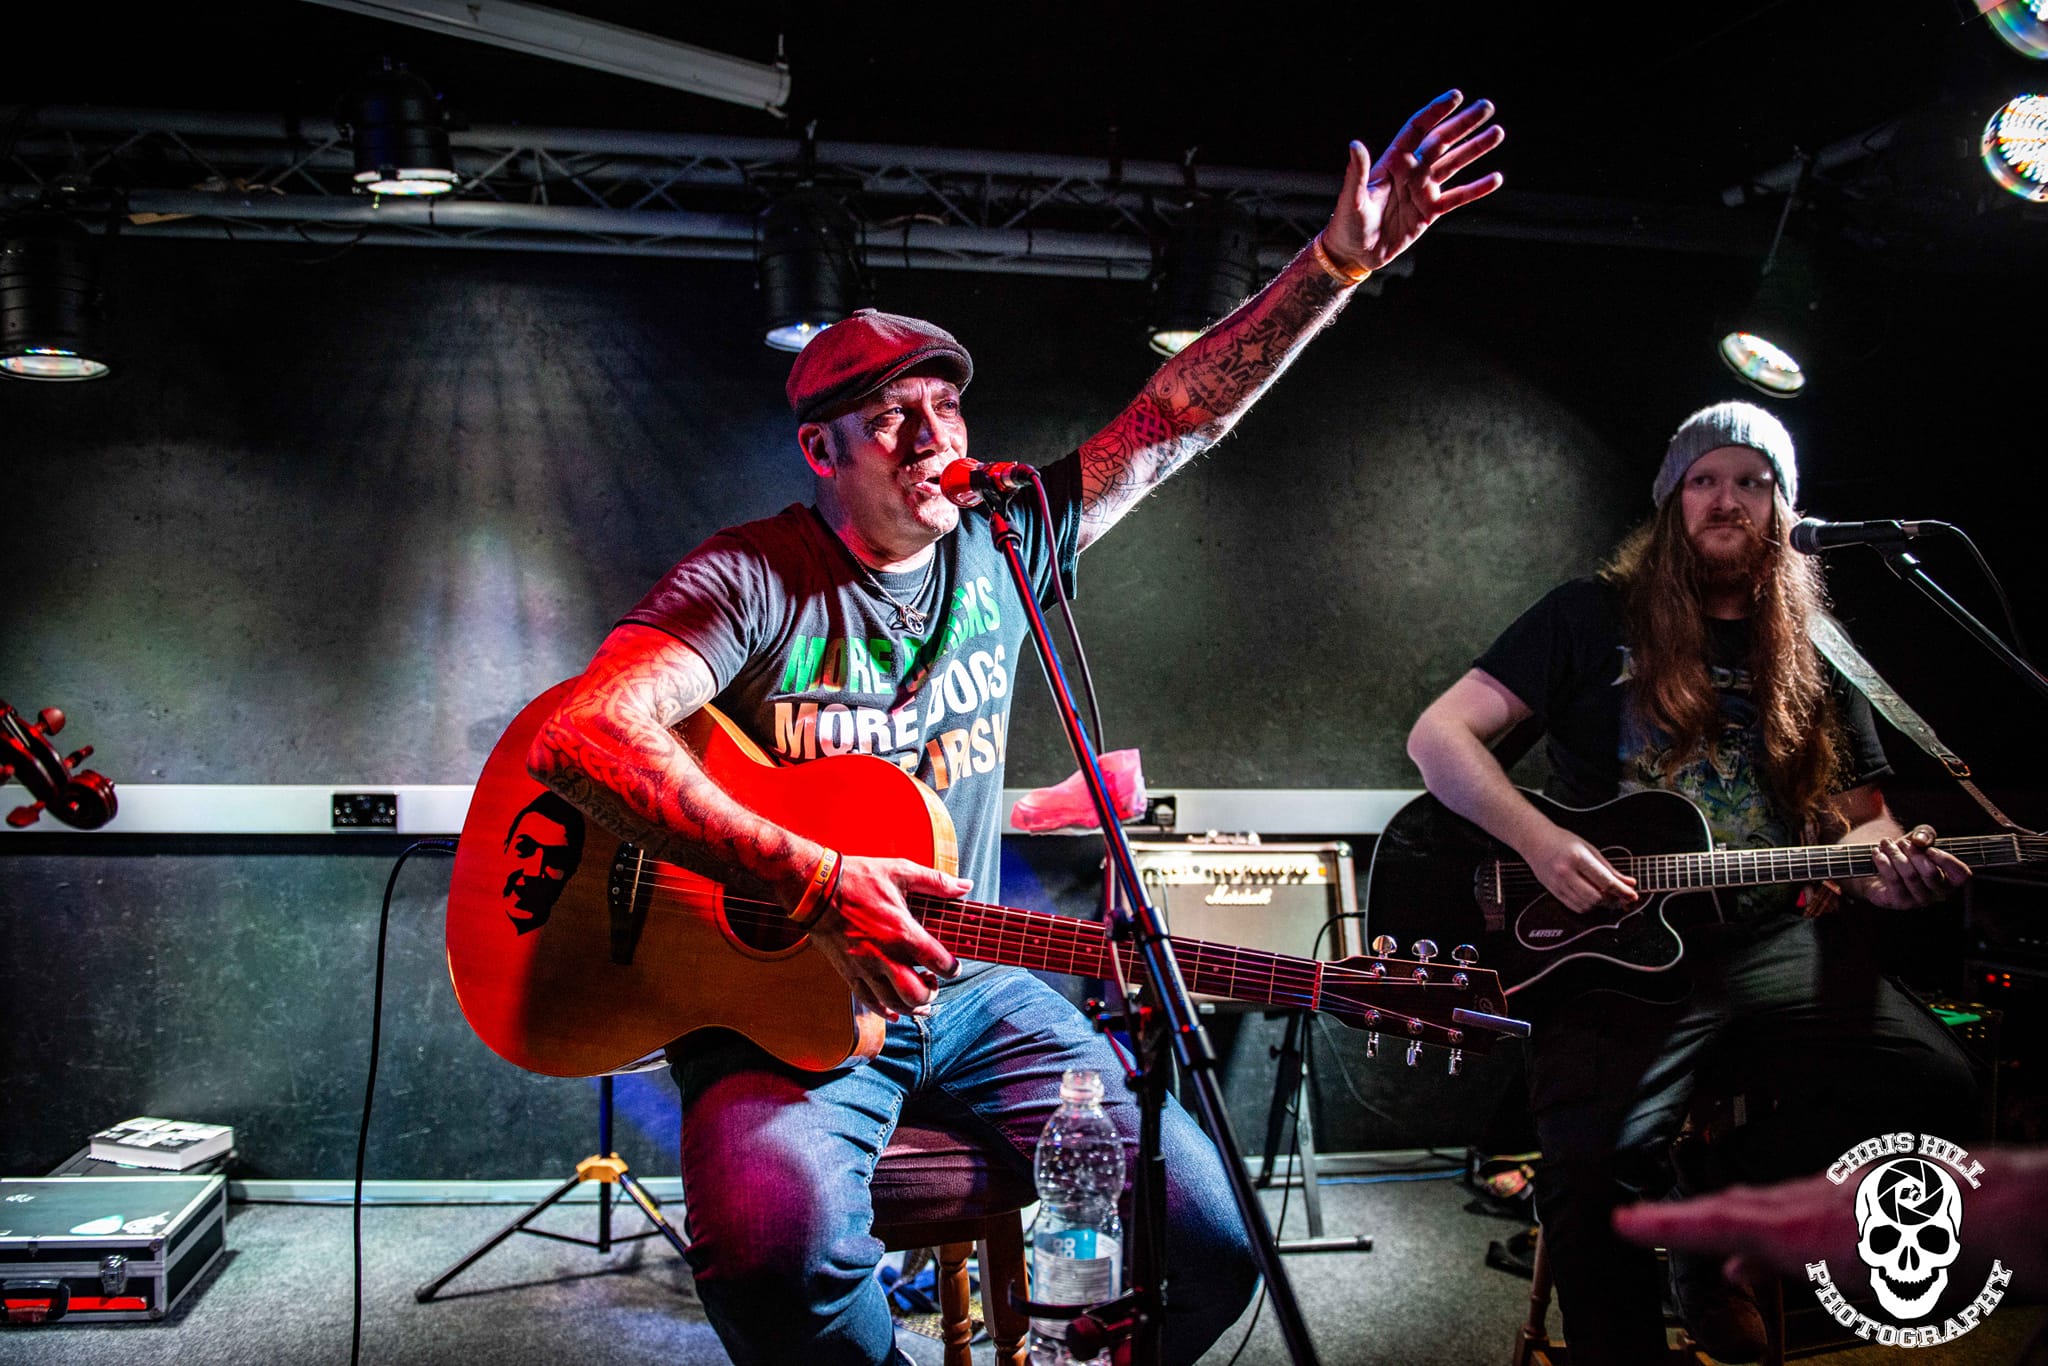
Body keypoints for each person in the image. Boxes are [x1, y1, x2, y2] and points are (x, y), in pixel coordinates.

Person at [526, 90, 1505, 1366]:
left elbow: (1176, 418)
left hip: (972, 981)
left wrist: (1333, 269)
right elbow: (582, 734)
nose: (934, 438)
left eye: (946, 406)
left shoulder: (1003, 540)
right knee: (775, 1252)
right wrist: (807, 872)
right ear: (822, 452)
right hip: (775, 1002)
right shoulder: (748, 578)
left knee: (1206, 1244)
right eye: (893, 419)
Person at [1404, 400, 1980, 1364]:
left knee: (1940, 1092)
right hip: (1614, 952)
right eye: (1706, 481)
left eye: (1753, 484)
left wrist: (1893, 874)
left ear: (1784, 511)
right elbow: (1438, 737)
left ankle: (1709, 1214)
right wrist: (1543, 843)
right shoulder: (1587, 617)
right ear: (1671, 504)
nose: (1728, 501)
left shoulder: (1816, 651)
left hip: (1766, 939)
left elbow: (1861, 820)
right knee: (1590, 1171)